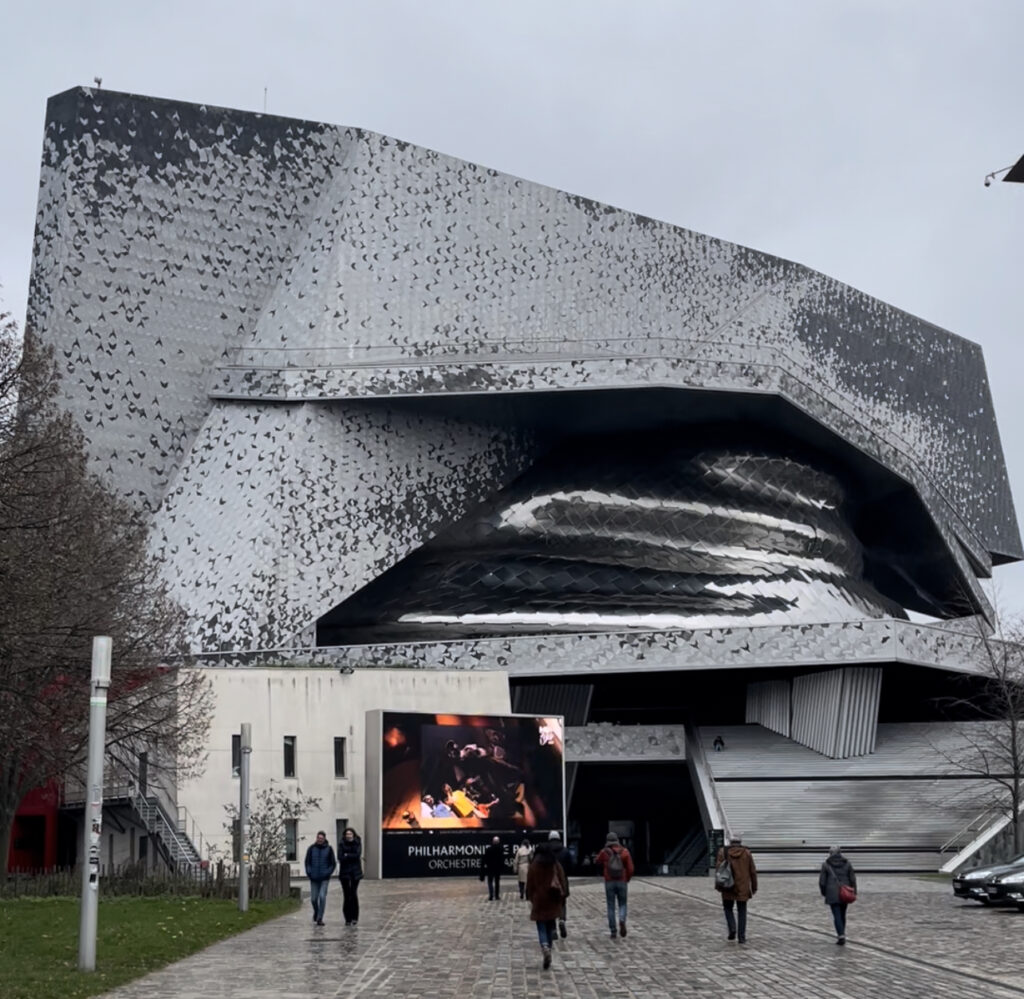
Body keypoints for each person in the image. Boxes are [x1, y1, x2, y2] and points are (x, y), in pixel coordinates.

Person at [525, 839, 568, 970]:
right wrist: (563, 895)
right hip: (552, 898)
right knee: (550, 924)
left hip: (539, 899)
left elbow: (530, 884)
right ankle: (549, 947)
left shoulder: (534, 866)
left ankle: (544, 946)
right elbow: (562, 880)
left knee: (541, 926)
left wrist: (529, 897)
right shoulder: (555, 864)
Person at [715, 833, 757, 944]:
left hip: (728, 886)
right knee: (742, 911)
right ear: (740, 842)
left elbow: (719, 871)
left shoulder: (723, 852)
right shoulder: (747, 853)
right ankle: (742, 937)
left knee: (728, 908)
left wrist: (718, 886)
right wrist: (754, 886)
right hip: (742, 887)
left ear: (730, 842)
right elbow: (752, 871)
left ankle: (732, 928)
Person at [595, 831, 634, 939]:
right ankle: (622, 919)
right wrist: (627, 878)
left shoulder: (604, 852)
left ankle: (613, 930)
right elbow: (630, 869)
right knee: (623, 904)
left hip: (609, 882)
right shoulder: (625, 851)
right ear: (617, 840)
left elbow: (597, 861)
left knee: (610, 906)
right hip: (622, 881)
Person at [819, 845, 857, 945]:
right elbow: (852, 878)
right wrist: (854, 891)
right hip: (845, 892)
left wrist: (824, 892)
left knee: (837, 915)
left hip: (832, 893)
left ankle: (841, 935)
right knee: (843, 914)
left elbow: (822, 882)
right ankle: (842, 933)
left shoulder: (826, 865)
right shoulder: (847, 863)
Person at [304, 830, 336, 927]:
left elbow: (332, 864)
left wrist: (328, 873)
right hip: (314, 878)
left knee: (322, 896)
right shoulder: (311, 849)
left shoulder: (329, 849)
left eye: (321, 838)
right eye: (318, 838)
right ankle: (317, 912)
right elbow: (307, 862)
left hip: (324, 878)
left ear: (324, 839)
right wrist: (309, 872)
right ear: (316, 838)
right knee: (313, 899)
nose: (320, 839)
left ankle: (320, 918)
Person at [547, 830, 573, 937]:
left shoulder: (547, 851)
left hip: (549, 882)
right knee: (562, 903)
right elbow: (571, 867)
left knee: (551, 905)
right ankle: (562, 920)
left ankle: (553, 929)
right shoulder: (565, 851)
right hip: (562, 881)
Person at [337, 827, 363, 926]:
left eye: (350, 834)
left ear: (353, 835)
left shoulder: (357, 842)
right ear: (345, 835)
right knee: (346, 895)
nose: (348, 836)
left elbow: (357, 855)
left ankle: (354, 917)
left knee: (353, 894)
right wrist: (347, 856)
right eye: (347, 834)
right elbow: (340, 857)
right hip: (344, 873)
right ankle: (347, 918)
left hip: (355, 873)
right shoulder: (341, 843)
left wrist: (347, 855)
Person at [480, 835, 505, 900]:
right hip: (497, 868)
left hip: (490, 868)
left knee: (490, 881)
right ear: (498, 841)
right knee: (497, 882)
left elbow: (484, 859)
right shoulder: (501, 849)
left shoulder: (489, 849)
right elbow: (502, 859)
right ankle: (497, 896)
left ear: (493, 842)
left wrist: (484, 866)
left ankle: (491, 895)